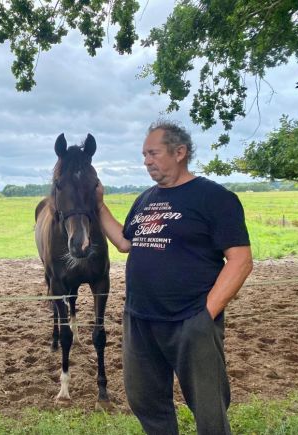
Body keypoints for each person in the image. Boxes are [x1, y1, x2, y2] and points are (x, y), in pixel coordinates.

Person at [97, 121, 253, 435]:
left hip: (190, 319)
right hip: (140, 318)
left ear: (179, 152)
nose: (146, 161)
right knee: (146, 401)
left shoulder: (214, 198)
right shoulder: (145, 199)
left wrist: (205, 315)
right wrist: (98, 204)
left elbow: (240, 260)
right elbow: (126, 243)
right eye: (144, 154)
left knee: (209, 407)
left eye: (153, 153)